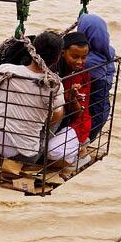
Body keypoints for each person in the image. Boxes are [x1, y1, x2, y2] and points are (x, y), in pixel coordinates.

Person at [0, 31, 65, 163]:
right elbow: (55, 118)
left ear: (31, 50)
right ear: (58, 58)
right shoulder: (55, 85)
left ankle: (0, 158)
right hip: (27, 157)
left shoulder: (5, 70)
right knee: (59, 111)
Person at [47, 32, 92, 165]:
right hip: (56, 119)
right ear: (62, 53)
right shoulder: (54, 69)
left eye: (84, 57)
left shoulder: (81, 75)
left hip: (77, 122)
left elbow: (79, 113)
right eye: (74, 56)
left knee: (52, 152)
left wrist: (71, 97)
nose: (79, 62)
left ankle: (79, 149)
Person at [78, 13, 116, 142]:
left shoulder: (87, 60)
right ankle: (86, 140)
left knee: (88, 117)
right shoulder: (107, 51)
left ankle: (83, 141)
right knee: (99, 113)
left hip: (94, 97)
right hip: (103, 100)